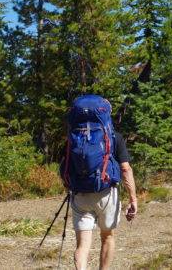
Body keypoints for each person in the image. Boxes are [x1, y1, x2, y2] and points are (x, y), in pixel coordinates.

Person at [63, 95, 138, 270]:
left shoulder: (73, 137)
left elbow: (66, 166)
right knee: (108, 237)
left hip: (80, 194)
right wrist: (133, 198)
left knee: (82, 246)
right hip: (106, 194)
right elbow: (126, 169)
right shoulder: (114, 137)